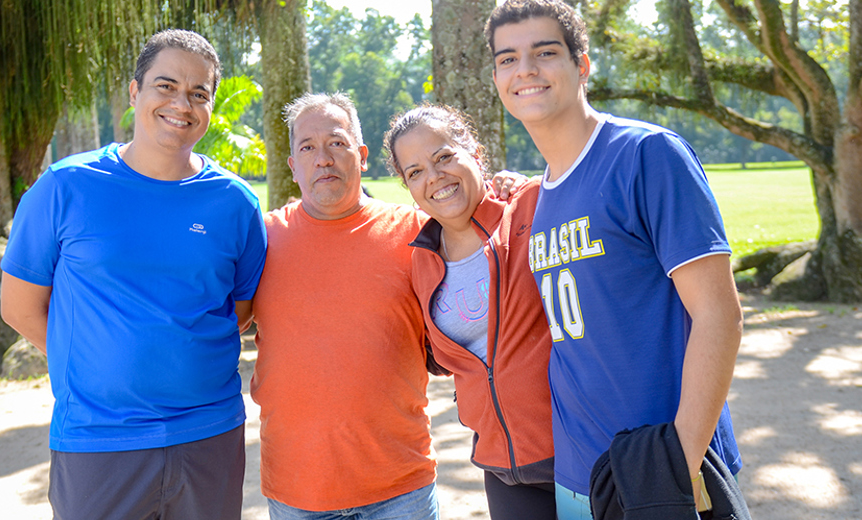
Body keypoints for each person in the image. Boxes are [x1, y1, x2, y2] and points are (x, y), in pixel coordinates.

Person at [485, 1, 745, 518]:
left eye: (545, 52)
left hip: (664, 470)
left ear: (583, 65)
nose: (526, 70)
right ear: (496, 77)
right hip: (582, 474)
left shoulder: (646, 155)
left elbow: (721, 317)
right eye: (508, 59)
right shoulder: (541, 197)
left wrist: (679, 464)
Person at [0, 29, 266, 520]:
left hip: (208, 437)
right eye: (165, 86)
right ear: (134, 92)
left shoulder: (235, 203)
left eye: (198, 93)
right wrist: (97, 359)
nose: (181, 104)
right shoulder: (64, 187)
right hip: (98, 440)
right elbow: (18, 306)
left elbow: (240, 312)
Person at [250, 92, 523, 520]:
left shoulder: (419, 233)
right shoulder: (261, 241)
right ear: (292, 165)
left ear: (361, 156)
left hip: (400, 489)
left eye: (337, 143)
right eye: (307, 147)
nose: (323, 158)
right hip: (296, 491)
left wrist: (509, 188)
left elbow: (490, 233)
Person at [384, 104, 555, 520]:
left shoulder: (531, 208)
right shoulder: (421, 260)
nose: (434, 177)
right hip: (501, 465)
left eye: (443, 157)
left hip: (576, 450)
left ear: (474, 153)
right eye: (415, 171)